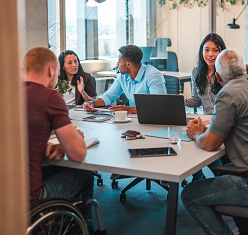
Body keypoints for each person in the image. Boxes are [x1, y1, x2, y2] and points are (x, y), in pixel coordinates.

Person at [182, 49, 248, 235]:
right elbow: (237, 126)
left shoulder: (228, 93)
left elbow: (210, 144)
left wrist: (197, 134)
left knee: (190, 194)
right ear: (246, 68)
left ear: (217, 76)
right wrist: (209, 131)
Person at [24, 47, 93, 206]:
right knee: (84, 172)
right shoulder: (50, 96)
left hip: (0, 193)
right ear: (51, 69)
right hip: (31, 196)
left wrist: (45, 146)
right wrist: (77, 139)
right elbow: (78, 155)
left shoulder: (8, 94)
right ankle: (83, 227)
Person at [84, 44, 167, 114]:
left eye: (119, 62)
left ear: (128, 64)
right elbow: (109, 96)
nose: (117, 64)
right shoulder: (123, 76)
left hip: (154, 120)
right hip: (135, 119)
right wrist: (93, 104)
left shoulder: (153, 75)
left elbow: (157, 106)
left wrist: (127, 110)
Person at [185, 33, 227, 115]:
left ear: (222, 52)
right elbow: (196, 100)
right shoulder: (195, 72)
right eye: (206, 50)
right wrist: (181, 102)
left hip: (224, 119)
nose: (210, 54)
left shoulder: (227, 72)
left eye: (215, 50)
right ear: (202, 52)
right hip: (206, 120)